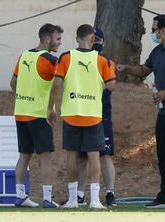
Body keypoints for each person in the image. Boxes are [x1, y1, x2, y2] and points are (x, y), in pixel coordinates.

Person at [117, 14, 165, 209]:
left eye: (154, 29)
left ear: (162, 30)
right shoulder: (158, 51)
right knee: (164, 155)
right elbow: (144, 70)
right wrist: (126, 68)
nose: (152, 32)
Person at [47, 24, 116, 209]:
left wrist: (51, 108)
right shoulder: (102, 60)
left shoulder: (66, 57)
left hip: (71, 114)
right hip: (93, 114)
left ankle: (72, 200)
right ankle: (94, 200)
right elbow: (111, 86)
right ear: (93, 40)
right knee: (94, 156)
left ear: (77, 38)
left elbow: (56, 84)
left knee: (72, 156)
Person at [10, 23, 63, 208]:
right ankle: (47, 199)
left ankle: (20, 196)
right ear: (47, 39)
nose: (59, 43)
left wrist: (22, 97)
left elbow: (13, 82)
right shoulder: (50, 60)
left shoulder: (24, 55)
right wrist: (51, 108)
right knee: (44, 157)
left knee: (24, 155)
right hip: (40, 115)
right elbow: (58, 84)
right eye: (57, 39)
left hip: (21, 113)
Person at [75, 28, 116, 206]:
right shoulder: (81, 60)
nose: (96, 43)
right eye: (94, 40)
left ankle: (108, 194)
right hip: (85, 111)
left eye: (97, 40)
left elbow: (110, 86)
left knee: (100, 154)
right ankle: (81, 195)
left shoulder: (104, 62)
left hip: (98, 112)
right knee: (85, 155)